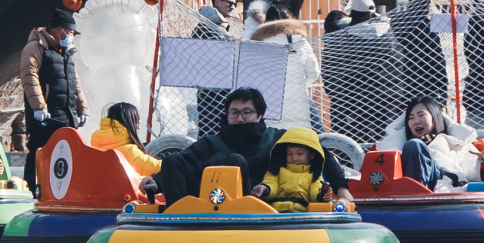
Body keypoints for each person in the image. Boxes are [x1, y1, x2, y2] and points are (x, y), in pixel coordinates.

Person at [138, 86, 351, 205]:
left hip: (251, 204)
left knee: (234, 161)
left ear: (259, 115)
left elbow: (319, 151)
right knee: (173, 159)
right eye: (234, 113)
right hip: (207, 201)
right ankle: (178, 217)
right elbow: (183, 162)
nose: (239, 118)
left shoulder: (276, 139)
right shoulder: (212, 142)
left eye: (247, 112)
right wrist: (156, 183)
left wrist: (341, 187)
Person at [19, 8, 88, 193]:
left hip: (67, 116)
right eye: (70, 32)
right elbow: (29, 77)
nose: (71, 37)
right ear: (59, 29)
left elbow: (75, 83)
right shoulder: (35, 48)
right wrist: (39, 107)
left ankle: (62, 194)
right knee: (38, 154)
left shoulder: (66, 52)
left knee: (66, 156)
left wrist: (82, 109)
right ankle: (31, 191)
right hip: (46, 118)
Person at [379, 96, 484, 190]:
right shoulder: (398, 148)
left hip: (446, 184)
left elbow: (472, 172)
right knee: (414, 145)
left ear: (434, 117)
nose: (416, 121)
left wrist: (483, 162)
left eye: (421, 115)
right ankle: (417, 193)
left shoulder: (456, 143)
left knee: (415, 145)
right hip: (406, 189)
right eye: (411, 118)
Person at [251, 128, 333, 211]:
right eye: (290, 154)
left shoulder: (314, 175)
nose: (294, 158)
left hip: (300, 213)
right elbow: (271, 184)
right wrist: (264, 188)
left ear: (312, 155)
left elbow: (315, 190)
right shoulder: (276, 171)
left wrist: (322, 194)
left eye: (300, 154)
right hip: (275, 211)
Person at [89, 101, 162, 177]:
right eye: (137, 120)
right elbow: (154, 167)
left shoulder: (97, 145)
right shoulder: (129, 151)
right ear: (131, 122)